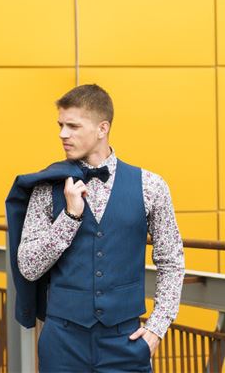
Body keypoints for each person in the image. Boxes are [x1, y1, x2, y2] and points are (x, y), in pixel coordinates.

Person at [11, 83, 185, 372]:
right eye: (60, 125)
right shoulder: (46, 186)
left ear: (102, 128)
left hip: (126, 342)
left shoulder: (151, 186)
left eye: (73, 126)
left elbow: (171, 260)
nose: (62, 134)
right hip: (62, 343)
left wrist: (157, 327)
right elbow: (28, 266)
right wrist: (69, 217)